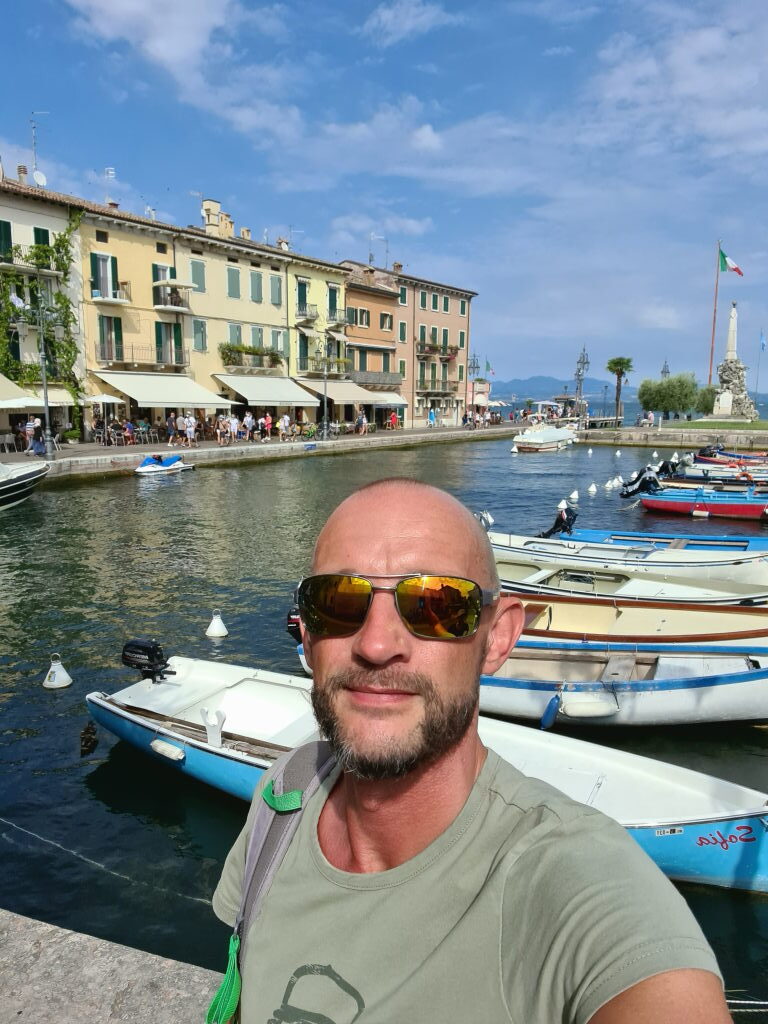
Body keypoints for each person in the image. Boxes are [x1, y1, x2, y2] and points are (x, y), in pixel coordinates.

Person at [213, 480, 728, 1024]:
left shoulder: (573, 880)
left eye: (434, 605)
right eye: (338, 602)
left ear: (499, 638)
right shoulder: (285, 795)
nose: (376, 644)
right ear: (309, 634)